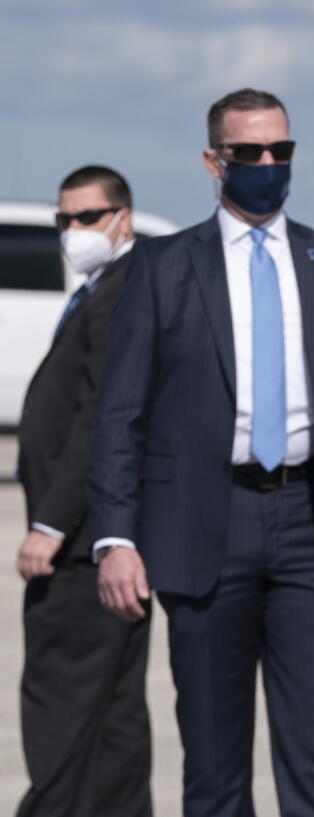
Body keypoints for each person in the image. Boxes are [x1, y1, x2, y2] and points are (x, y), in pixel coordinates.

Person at [89, 88, 314, 817]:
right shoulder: (162, 266)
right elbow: (120, 415)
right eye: (249, 153)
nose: (268, 164)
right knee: (212, 767)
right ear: (214, 161)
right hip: (204, 525)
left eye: (282, 150)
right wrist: (115, 535)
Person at [14, 166, 152, 817]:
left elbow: (102, 418)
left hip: (82, 542)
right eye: (63, 219)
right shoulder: (104, 288)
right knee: (111, 709)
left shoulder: (123, 292)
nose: (74, 231)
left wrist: (51, 521)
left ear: (122, 217)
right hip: (101, 540)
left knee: (63, 701)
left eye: (88, 217)